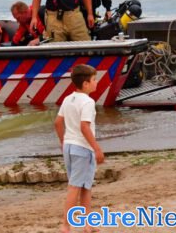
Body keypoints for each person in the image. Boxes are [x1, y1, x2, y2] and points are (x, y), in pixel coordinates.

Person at [54, 64, 105, 233]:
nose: (96, 82)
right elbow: (84, 127)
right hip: (82, 148)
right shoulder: (88, 102)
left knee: (84, 186)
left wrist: (63, 141)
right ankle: (65, 225)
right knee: (75, 187)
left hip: (69, 146)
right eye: (94, 79)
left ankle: (87, 224)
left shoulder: (68, 99)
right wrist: (97, 148)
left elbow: (58, 123)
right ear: (85, 83)